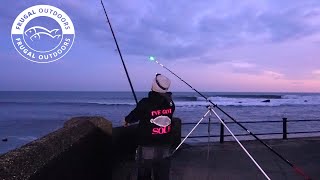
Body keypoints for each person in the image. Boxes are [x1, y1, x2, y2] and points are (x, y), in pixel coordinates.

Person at [124, 73, 175, 180]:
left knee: (144, 175)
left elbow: (133, 117)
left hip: (147, 145)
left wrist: (127, 120)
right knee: (162, 175)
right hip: (165, 144)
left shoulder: (145, 103)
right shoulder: (170, 103)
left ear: (154, 85)